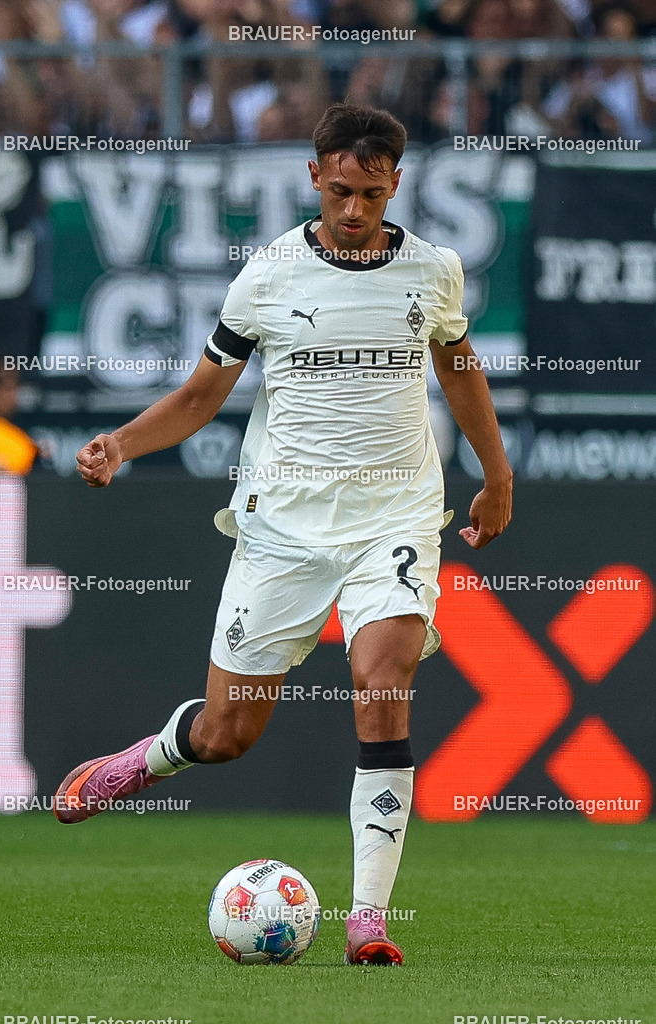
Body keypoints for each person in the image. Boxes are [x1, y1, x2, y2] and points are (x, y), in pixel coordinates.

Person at [54, 103, 513, 966]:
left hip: (396, 515)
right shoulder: (265, 276)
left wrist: (496, 476)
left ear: (395, 185)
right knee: (227, 736)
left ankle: (368, 920)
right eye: (340, 191)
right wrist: (121, 441)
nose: (353, 211)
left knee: (383, 685)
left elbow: (458, 370)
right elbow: (199, 395)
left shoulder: (432, 271)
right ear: (314, 177)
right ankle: (150, 759)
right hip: (284, 529)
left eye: (370, 195)